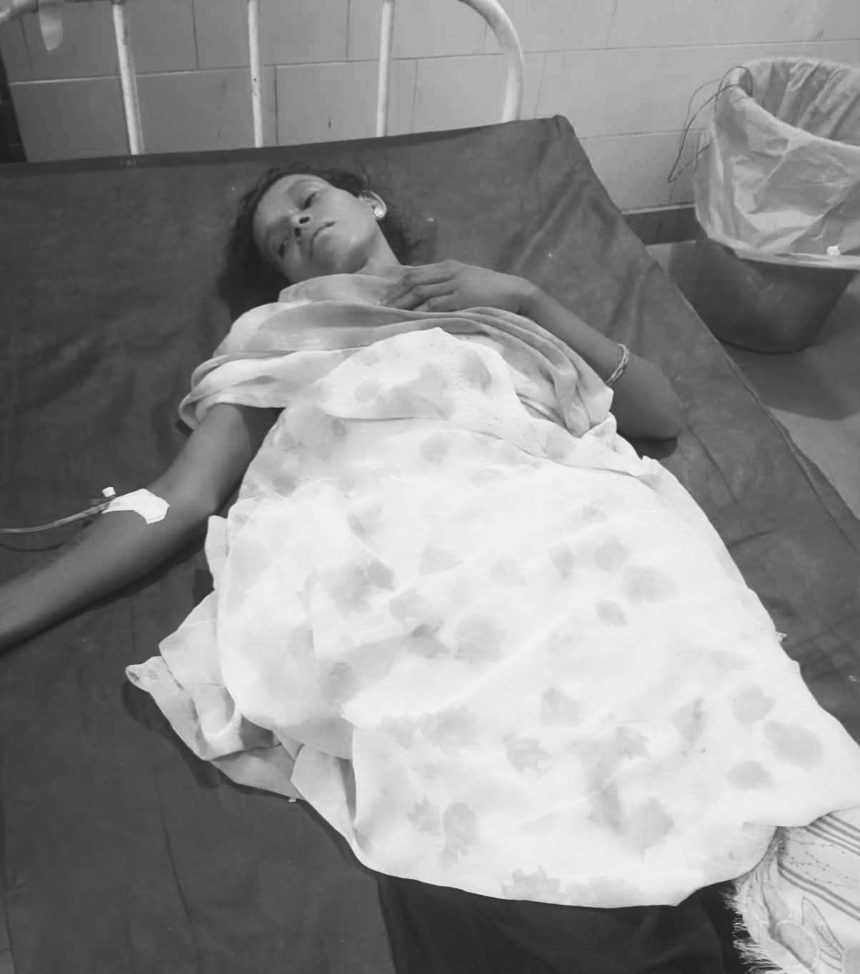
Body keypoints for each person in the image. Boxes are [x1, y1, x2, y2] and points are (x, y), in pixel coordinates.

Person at [4, 166, 860, 974]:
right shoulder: (276, 336)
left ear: (371, 202)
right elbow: (181, 498)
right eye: (279, 241)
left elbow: (659, 412)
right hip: (395, 523)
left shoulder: (496, 305)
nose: (297, 226)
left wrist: (524, 299)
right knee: (486, 767)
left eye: (306, 199)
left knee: (683, 665)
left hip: (560, 504)